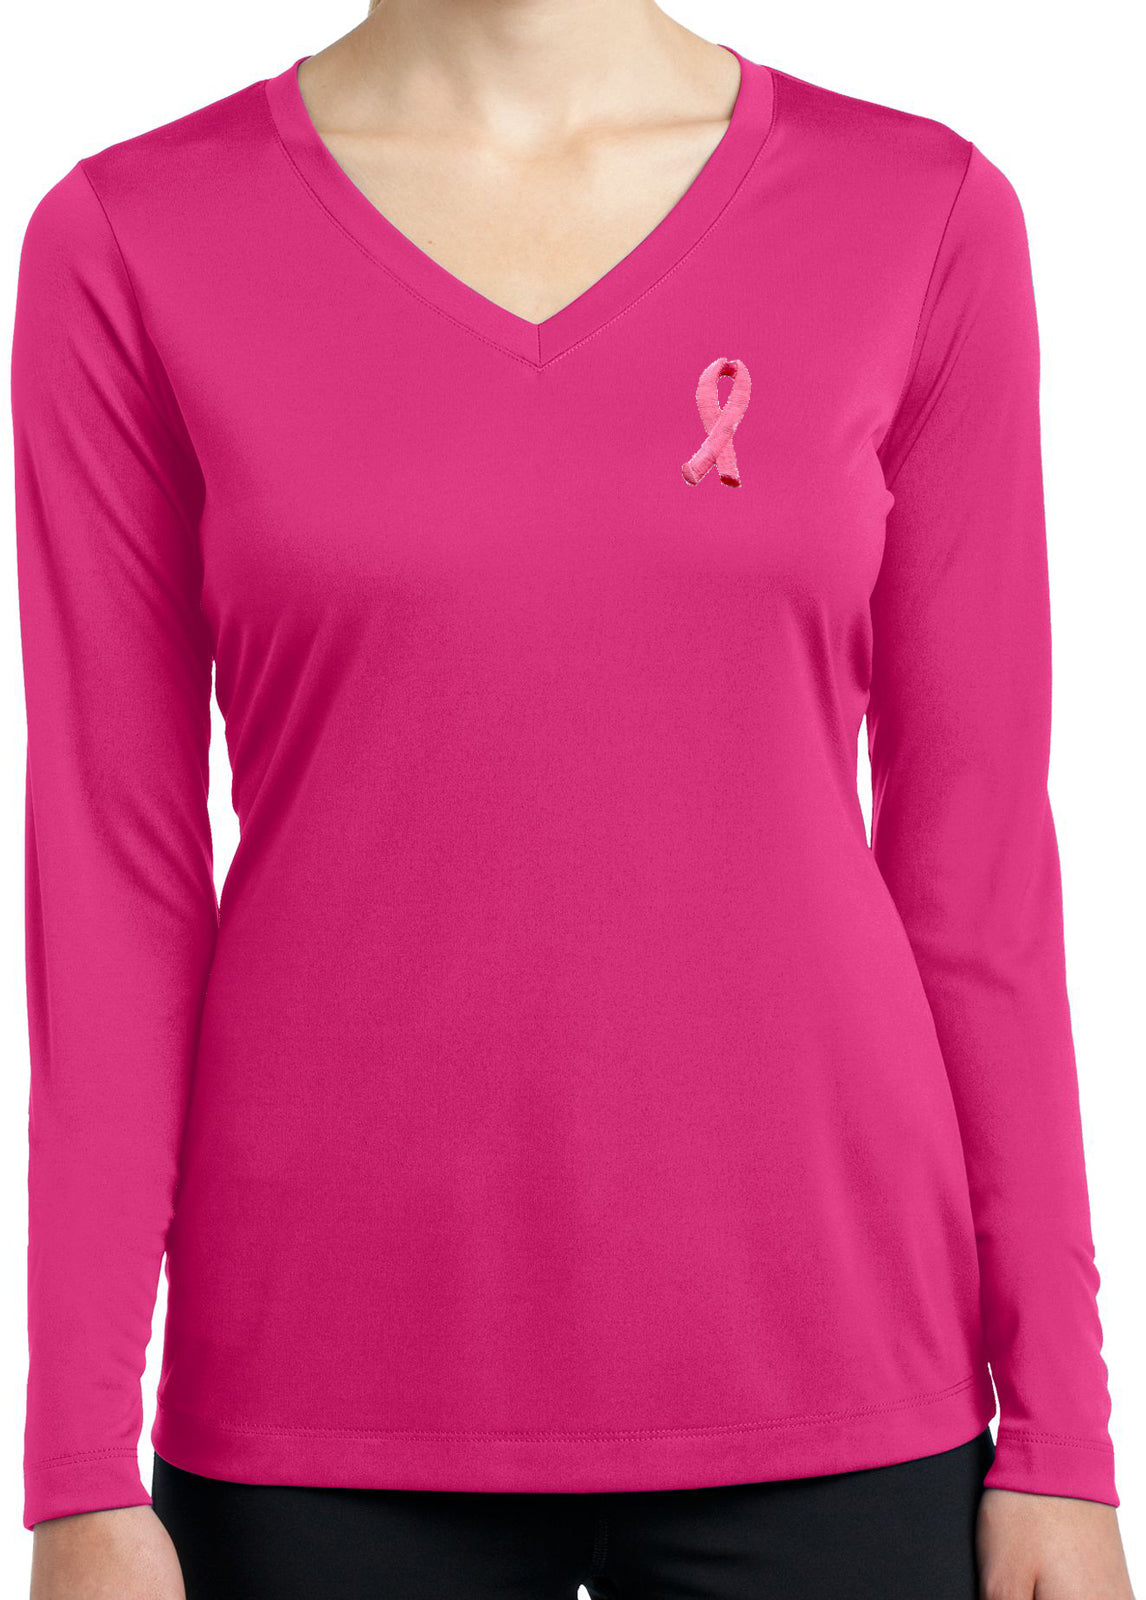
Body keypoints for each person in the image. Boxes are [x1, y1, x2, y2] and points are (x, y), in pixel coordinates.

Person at [10, 1, 1136, 1596]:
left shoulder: (919, 213)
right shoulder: (133, 240)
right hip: (321, 1409)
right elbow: (112, 885)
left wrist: (1062, 1437)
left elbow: (981, 876)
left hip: (834, 1375)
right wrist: (75, 1463)